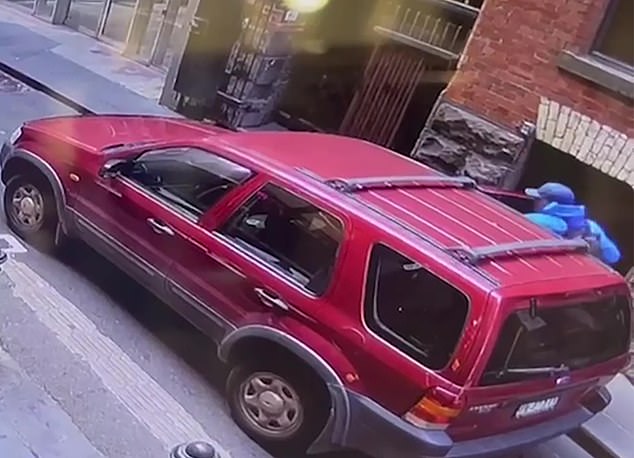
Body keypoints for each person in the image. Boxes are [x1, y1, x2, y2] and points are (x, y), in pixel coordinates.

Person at [523, 182, 621, 266]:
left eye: (538, 199)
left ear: (548, 203)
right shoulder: (591, 226)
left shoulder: (535, 219)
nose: (534, 201)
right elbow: (614, 256)